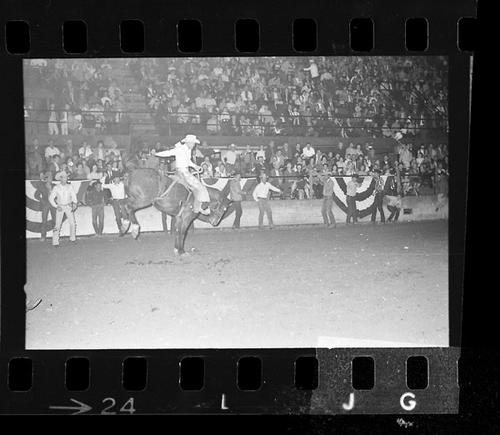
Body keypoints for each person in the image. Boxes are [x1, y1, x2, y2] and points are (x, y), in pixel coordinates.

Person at [155, 134, 211, 215]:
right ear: (189, 142)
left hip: (185, 171)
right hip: (182, 172)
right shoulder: (180, 149)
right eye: (193, 143)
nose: (194, 145)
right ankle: (198, 208)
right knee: (199, 186)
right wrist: (156, 154)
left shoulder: (189, 150)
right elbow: (168, 153)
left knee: (198, 186)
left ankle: (196, 206)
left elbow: (188, 161)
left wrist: (195, 166)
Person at [48, 171, 77, 247]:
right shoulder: (56, 187)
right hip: (60, 206)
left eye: (66, 177)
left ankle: (72, 238)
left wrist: (75, 203)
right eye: (64, 177)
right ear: (60, 178)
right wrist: (56, 206)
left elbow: (73, 196)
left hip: (68, 206)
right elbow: (51, 198)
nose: (66, 178)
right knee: (57, 224)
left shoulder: (70, 186)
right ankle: (55, 242)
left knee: (73, 223)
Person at [34, 171, 56, 241]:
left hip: (53, 205)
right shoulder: (42, 186)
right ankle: (43, 236)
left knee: (55, 221)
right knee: (44, 221)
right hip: (45, 205)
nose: (51, 179)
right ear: (46, 178)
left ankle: (56, 235)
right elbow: (36, 195)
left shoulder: (54, 186)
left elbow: (58, 195)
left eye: (51, 177)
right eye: (49, 177)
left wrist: (56, 201)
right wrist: (43, 201)